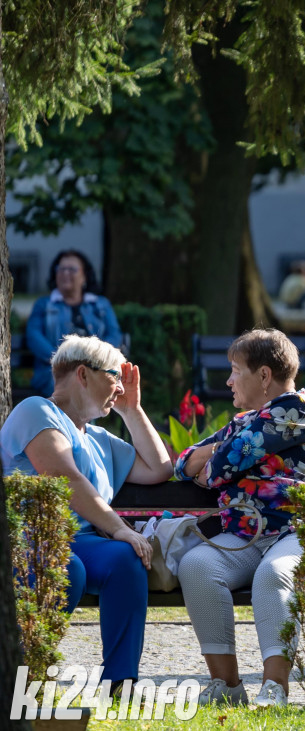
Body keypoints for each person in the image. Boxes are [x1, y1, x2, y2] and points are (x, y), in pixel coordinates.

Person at [175, 329, 305, 708]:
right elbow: (185, 463)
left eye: (236, 370)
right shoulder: (248, 421)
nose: (228, 380)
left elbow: (218, 469)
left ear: (264, 376)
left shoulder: (296, 409)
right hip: (252, 533)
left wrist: (220, 457)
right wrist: (222, 451)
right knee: (197, 566)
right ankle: (227, 685)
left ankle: (275, 688)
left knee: (276, 572)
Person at [0, 335, 172, 685]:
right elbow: (64, 477)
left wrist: (132, 411)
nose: (120, 389)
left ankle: (121, 684)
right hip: (29, 539)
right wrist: (120, 527)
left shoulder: (98, 438)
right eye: (115, 377)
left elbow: (159, 468)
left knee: (125, 560)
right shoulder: (36, 410)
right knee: (69, 569)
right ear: (83, 374)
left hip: (81, 542)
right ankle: (22, 674)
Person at [26, 249, 123, 397]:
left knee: (92, 379)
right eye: (61, 269)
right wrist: (62, 360)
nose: (65, 273)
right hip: (54, 371)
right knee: (73, 381)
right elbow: (33, 336)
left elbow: (114, 334)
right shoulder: (43, 304)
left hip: (95, 368)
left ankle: (83, 420)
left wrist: (96, 361)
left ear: (84, 276)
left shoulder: (101, 305)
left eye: (72, 269)